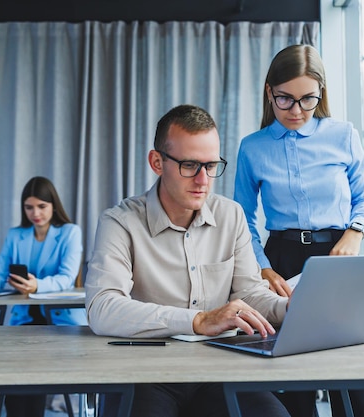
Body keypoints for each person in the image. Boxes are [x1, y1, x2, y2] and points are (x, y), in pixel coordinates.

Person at [85, 104, 291, 417]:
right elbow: (102, 309)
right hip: (145, 375)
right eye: (189, 165)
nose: (203, 180)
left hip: (221, 370)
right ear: (157, 162)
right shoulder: (120, 222)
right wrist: (198, 320)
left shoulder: (231, 216)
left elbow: (249, 295)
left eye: (211, 165)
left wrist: (291, 309)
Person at [233, 44, 364, 417]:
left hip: (337, 256)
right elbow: (241, 219)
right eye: (285, 99)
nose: (296, 110)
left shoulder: (343, 136)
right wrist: (262, 267)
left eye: (307, 100)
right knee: (289, 376)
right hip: (280, 261)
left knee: (357, 374)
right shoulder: (252, 148)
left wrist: (355, 233)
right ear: (270, 92)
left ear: (321, 93)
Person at [0, 175, 83, 417]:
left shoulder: (70, 232)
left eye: (41, 206)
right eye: (29, 207)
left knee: (34, 368)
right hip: (24, 321)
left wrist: (36, 285)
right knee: (14, 378)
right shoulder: (16, 235)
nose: (35, 213)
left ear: (53, 206)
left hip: (60, 320)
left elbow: (66, 278)